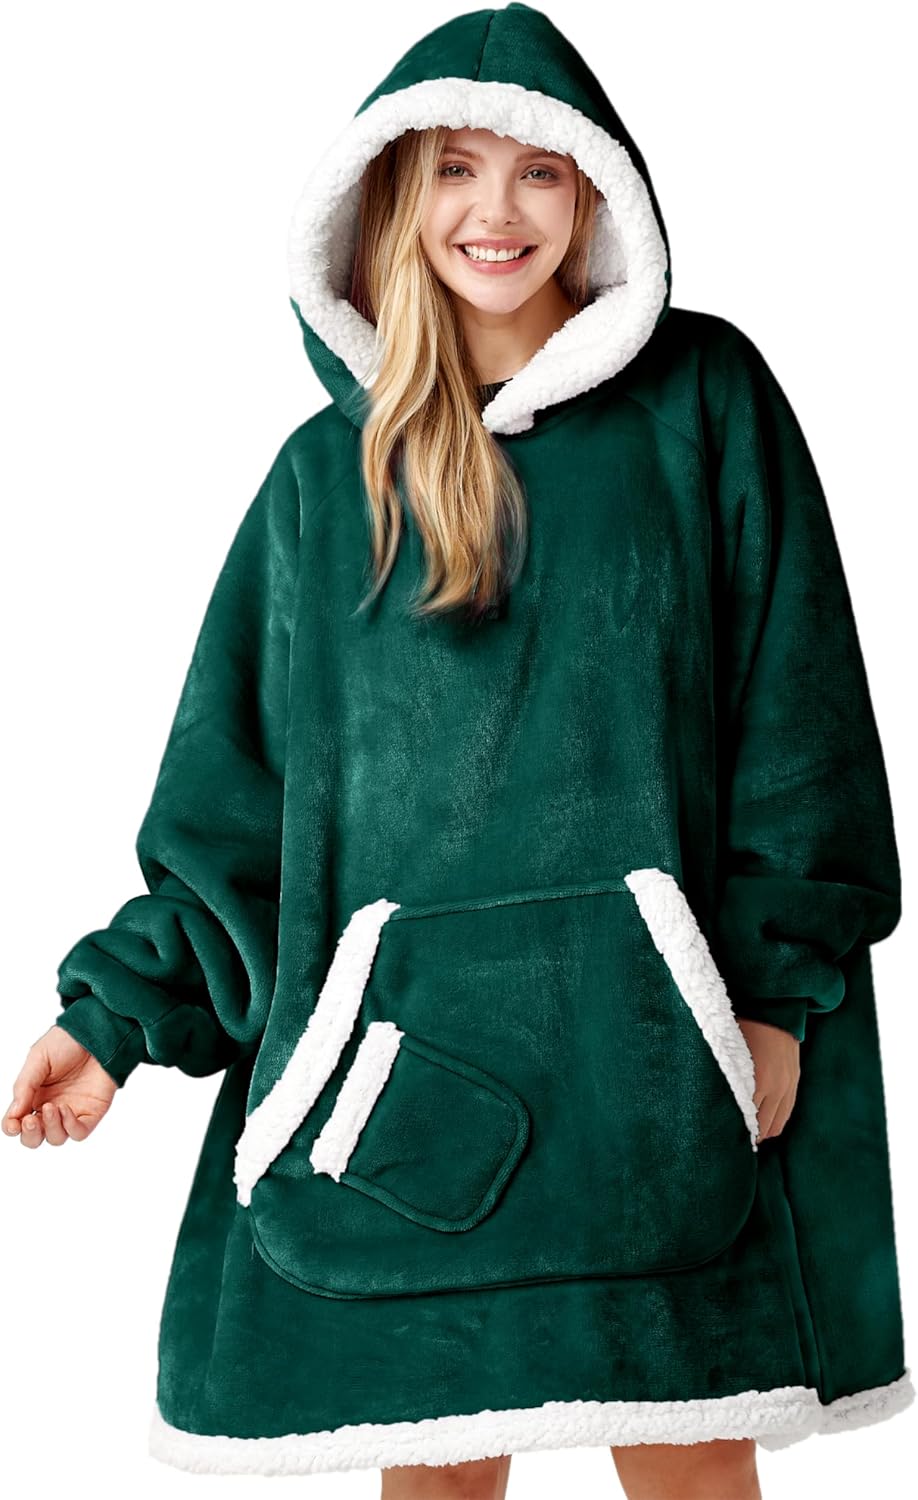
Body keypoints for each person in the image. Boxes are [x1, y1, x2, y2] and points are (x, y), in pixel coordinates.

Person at [4, 4, 912, 1496]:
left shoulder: (704, 405)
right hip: (398, 1078)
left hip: (654, 1061)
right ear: (392, 195)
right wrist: (113, 1021)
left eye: (539, 171)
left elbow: (798, 724)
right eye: (454, 170)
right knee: (429, 1466)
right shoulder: (324, 482)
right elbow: (237, 809)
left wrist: (766, 998)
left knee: (689, 1459)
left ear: (598, 193)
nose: (498, 213)